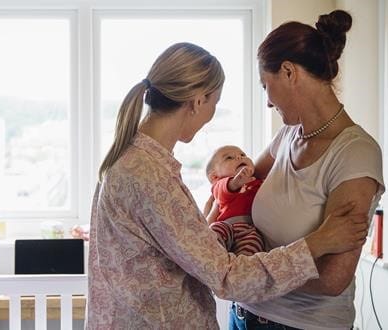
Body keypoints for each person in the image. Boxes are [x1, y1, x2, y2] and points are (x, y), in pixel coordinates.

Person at [87, 42, 370, 329]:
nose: (211, 115)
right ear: (198, 101)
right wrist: (317, 242)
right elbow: (226, 277)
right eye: (215, 103)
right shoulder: (148, 175)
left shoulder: (133, 161)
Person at [230, 10, 385, 330]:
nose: (268, 103)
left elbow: (332, 279)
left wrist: (247, 270)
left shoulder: (356, 153)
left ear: (288, 72)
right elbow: (240, 187)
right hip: (243, 314)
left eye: (265, 86)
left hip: (298, 324)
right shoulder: (287, 135)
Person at [205, 145, 264, 256]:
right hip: (226, 225)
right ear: (214, 177)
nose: (239, 158)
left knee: (254, 242)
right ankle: (210, 257)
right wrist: (235, 183)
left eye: (243, 155)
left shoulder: (256, 181)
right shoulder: (219, 184)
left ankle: (243, 266)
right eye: (229, 158)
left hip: (249, 229)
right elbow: (225, 190)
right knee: (215, 231)